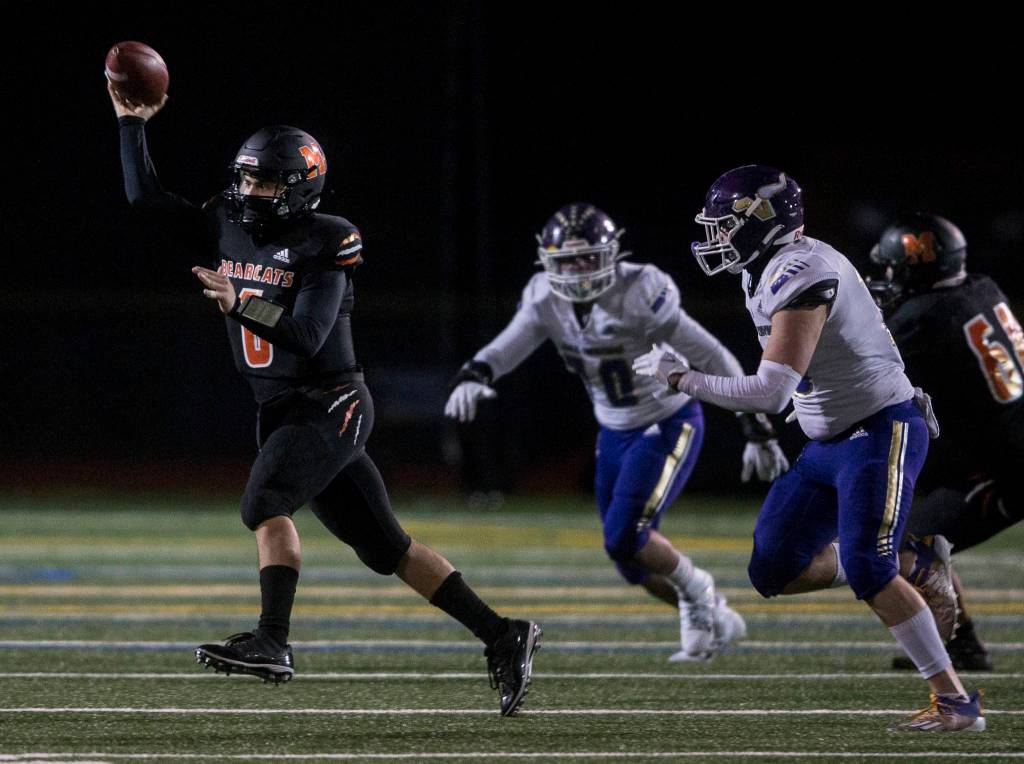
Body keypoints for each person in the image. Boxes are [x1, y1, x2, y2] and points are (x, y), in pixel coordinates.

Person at [108, 83, 540, 716]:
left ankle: (272, 641)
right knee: (386, 549)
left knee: (264, 502)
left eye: (266, 182)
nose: (250, 192)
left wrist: (240, 301)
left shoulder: (327, 239)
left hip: (333, 400)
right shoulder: (226, 223)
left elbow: (309, 334)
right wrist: (130, 121)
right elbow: (145, 198)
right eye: (247, 180)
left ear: (301, 185)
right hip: (284, 408)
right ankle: (503, 634)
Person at [633, 166, 984, 732]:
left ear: (763, 221)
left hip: (880, 428)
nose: (716, 236)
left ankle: (955, 702)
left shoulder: (801, 272)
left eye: (726, 225)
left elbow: (770, 393)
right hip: (830, 440)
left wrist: (681, 378)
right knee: (773, 567)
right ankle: (911, 558)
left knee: (872, 567)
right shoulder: (766, 269)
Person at [445, 202, 786, 661]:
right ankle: (713, 611)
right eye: (568, 260)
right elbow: (510, 344)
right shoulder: (544, 297)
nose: (579, 270)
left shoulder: (640, 290)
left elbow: (711, 353)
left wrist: (754, 426)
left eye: (589, 258)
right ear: (548, 262)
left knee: (624, 535)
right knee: (629, 561)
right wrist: (474, 374)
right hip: (614, 430)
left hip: (666, 419)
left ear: (611, 255)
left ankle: (698, 588)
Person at [866, 212, 1024, 672]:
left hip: (1008, 462)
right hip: (999, 442)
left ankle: (961, 645)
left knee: (896, 541)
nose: (886, 277)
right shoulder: (980, 285)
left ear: (915, 265)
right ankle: (961, 643)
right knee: (911, 529)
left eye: (893, 267)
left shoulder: (924, 319)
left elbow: (875, 373)